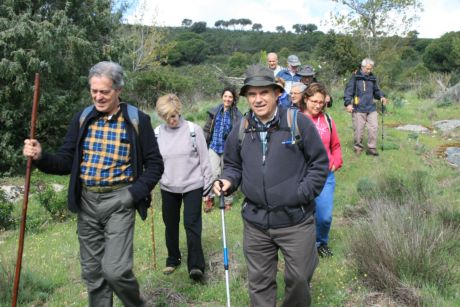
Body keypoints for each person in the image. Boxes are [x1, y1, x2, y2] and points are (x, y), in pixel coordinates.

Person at [22, 61, 164, 307]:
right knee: (94, 275)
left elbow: (155, 165)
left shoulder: (137, 120)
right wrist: (40, 157)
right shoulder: (83, 118)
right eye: (94, 91)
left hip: (119, 201)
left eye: (104, 92)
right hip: (87, 202)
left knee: (115, 271)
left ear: (118, 90)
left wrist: (132, 195)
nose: (98, 97)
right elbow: (66, 161)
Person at [213, 64, 329, 306]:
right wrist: (228, 181)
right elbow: (233, 165)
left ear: (277, 93)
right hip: (256, 222)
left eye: (264, 92)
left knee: (299, 278)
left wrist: (300, 194)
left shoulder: (298, 122)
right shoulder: (242, 128)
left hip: (295, 220)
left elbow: (319, 164)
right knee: (259, 282)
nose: (258, 99)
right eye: (252, 94)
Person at [154, 94, 214, 280]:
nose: (170, 120)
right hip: (168, 186)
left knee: (191, 223)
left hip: (192, 185)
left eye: (173, 115)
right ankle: (173, 259)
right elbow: (154, 162)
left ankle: (196, 266)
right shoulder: (157, 133)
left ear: (179, 111)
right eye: (166, 117)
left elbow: (205, 162)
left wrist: (209, 190)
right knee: (170, 224)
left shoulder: (193, 130)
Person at [299, 83, 343, 257]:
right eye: (314, 101)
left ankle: (321, 243)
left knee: (324, 216)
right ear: (305, 99)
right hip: (303, 175)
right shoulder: (297, 119)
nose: (317, 105)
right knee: (305, 215)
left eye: (321, 102)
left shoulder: (328, 120)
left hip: (325, 175)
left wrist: (336, 162)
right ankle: (304, 246)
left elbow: (336, 146)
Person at [203, 87, 242, 212]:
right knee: (212, 174)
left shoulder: (237, 115)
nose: (227, 99)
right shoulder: (214, 111)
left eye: (230, 97)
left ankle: (227, 201)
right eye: (225, 96)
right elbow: (206, 129)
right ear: (222, 97)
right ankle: (209, 199)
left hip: (228, 150)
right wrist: (203, 143)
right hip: (214, 146)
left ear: (233, 99)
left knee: (227, 175)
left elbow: (239, 134)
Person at [344, 58, 388, 156]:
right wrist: (348, 103)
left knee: (374, 127)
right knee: (359, 130)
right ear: (362, 67)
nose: (369, 71)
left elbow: (376, 91)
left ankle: (371, 148)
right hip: (358, 108)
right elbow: (349, 91)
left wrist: (381, 96)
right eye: (367, 69)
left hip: (371, 108)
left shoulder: (372, 78)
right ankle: (358, 148)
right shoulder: (355, 77)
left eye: (371, 69)